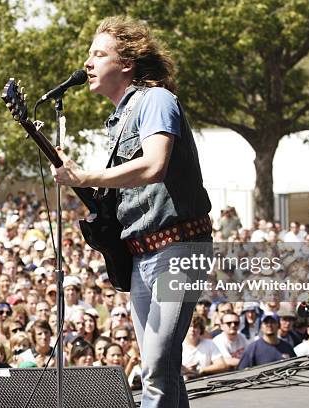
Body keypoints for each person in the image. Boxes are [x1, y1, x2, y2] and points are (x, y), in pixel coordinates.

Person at [50, 16, 212, 408]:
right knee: (163, 368)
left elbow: (155, 164)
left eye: (98, 53)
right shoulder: (119, 118)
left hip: (179, 248)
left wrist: (89, 175)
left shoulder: (155, 100)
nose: (88, 62)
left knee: (155, 367)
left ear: (126, 63)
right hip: (143, 253)